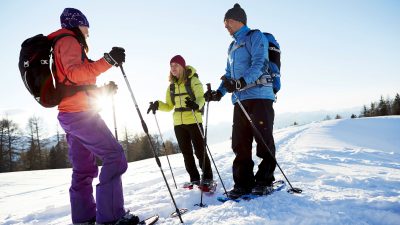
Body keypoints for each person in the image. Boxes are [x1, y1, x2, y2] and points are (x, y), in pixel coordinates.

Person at [51, 8, 140, 225]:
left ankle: (84, 218)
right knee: (114, 156)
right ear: (77, 25)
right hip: (81, 116)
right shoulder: (69, 40)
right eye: (86, 27)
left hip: (69, 115)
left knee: (83, 169)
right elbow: (75, 73)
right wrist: (108, 60)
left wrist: (102, 92)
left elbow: (73, 85)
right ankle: (111, 218)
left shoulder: (61, 43)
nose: (88, 33)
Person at [204, 3, 277, 199]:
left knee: (263, 140)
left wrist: (241, 82)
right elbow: (229, 74)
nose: (225, 26)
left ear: (238, 20)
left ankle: (264, 181)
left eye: (227, 22)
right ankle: (243, 183)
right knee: (240, 143)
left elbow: (259, 64)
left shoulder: (255, 36)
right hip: (240, 100)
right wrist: (218, 93)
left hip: (260, 96)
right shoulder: (232, 46)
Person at [147, 55, 214, 189]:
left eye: (176, 65)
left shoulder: (193, 81)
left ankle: (207, 178)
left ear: (183, 66)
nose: (173, 68)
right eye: (171, 66)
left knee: (200, 151)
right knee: (186, 153)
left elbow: (201, 98)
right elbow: (169, 106)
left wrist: (195, 105)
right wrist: (158, 105)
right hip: (178, 124)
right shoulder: (171, 87)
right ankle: (194, 178)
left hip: (194, 120)